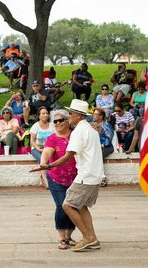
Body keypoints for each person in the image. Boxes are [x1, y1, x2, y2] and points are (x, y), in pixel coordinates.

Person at [30, 99, 105, 252]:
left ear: (78, 115)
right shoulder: (91, 129)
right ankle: (93, 239)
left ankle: (87, 237)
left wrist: (49, 166)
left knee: (67, 205)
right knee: (82, 207)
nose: (69, 117)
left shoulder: (79, 131)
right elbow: (48, 151)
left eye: (70, 114)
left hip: (85, 175)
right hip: (95, 175)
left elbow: (69, 155)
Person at [39, 109, 78, 250]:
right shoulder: (52, 138)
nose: (57, 123)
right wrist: (43, 163)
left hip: (76, 178)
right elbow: (47, 152)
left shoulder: (75, 136)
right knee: (62, 206)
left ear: (68, 121)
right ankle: (61, 237)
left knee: (73, 206)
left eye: (61, 120)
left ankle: (69, 236)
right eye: (55, 121)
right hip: (56, 178)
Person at [30, 106, 55, 188]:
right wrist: (38, 148)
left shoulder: (52, 125)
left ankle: (48, 178)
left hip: (49, 149)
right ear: (39, 116)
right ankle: (45, 179)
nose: (45, 115)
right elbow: (32, 141)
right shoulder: (35, 126)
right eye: (43, 113)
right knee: (43, 159)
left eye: (46, 113)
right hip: (37, 149)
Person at [91, 107, 114, 187]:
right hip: (96, 147)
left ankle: (102, 177)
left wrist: (102, 144)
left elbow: (109, 138)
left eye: (96, 114)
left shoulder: (106, 125)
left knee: (97, 156)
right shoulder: (92, 124)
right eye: (93, 114)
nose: (93, 116)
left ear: (101, 116)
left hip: (107, 147)